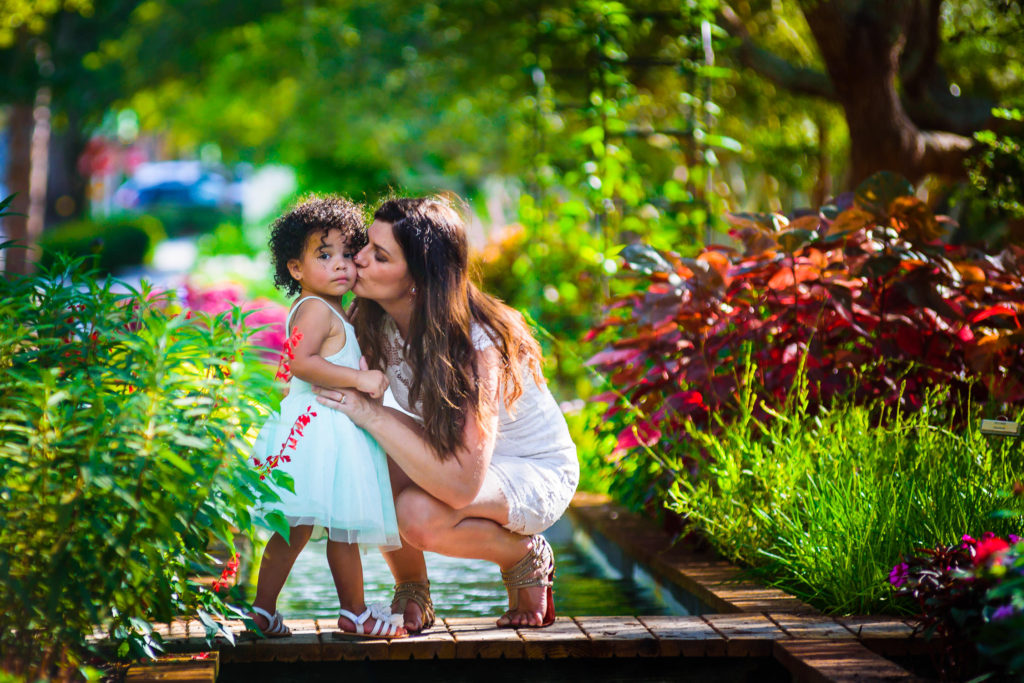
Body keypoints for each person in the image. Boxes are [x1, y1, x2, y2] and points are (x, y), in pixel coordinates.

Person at [313, 196, 579, 630]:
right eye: (365, 245)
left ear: (418, 279)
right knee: (363, 461)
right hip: (459, 457)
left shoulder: (479, 342)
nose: (357, 259)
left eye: (378, 255)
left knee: (416, 514)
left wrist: (371, 414)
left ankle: (526, 554)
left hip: (529, 468)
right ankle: (413, 588)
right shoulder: (370, 318)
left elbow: (460, 485)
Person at [248, 196, 406, 640]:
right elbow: (300, 362)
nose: (340, 265)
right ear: (295, 268)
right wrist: (363, 380)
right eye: (324, 255)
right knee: (332, 531)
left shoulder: (331, 307)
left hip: (325, 432)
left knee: (303, 530)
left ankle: (263, 612)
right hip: (317, 433)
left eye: (345, 254)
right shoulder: (315, 308)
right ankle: (354, 613)